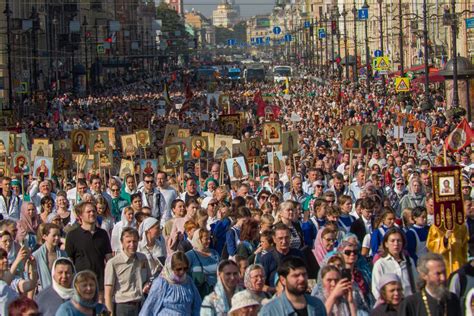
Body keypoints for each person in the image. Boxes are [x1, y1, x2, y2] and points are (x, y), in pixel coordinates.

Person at [65, 202, 112, 299]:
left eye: (94, 211)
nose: (92, 213)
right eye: (88, 212)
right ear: (81, 216)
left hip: (100, 283)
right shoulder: (72, 235)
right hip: (80, 283)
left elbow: (109, 259)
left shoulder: (103, 234)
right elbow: (69, 261)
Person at [104, 227, 151, 315]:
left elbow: (148, 279)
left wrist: (147, 284)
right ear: (122, 243)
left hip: (141, 305)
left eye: (135, 241)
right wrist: (110, 313)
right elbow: (108, 293)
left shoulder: (143, 258)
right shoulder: (113, 263)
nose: (132, 245)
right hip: (123, 307)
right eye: (128, 242)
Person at [139, 251, 202, 315]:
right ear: (171, 268)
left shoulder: (188, 281)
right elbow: (150, 306)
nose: (182, 272)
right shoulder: (161, 283)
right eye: (178, 269)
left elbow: (197, 305)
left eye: (185, 269)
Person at [259, 256, 327, 315]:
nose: (302, 279)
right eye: (296, 276)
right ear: (283, 280)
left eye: (304, 274)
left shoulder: (317, 305)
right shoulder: (270, 311)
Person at [372, 227, 417, 301]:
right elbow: (376, 289)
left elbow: (415, 283)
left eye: (399, 241)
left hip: (409, 304)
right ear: (386, 244)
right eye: (392, 241)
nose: (396, 244)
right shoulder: (380, 264)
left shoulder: (409, 261)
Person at [260, 223, 305, 288]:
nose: (284, 241)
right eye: (280, 238)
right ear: (274, 239)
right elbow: (262, 285)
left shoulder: (298, 254)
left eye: (286, 237)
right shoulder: (266, 259)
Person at [186, 228, 220, 298]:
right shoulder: (189, 255)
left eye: (209, 238)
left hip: (215, 293)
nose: (209, 241)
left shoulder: (214, 253)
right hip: (198, 294)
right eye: (206, 239)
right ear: (198, 240)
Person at [32, 223, 67, 290]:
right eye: (54, 235)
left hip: (60, 290)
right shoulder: (36, 255)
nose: (57, 238)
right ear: (45, 236)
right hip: (42, 292)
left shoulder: (63, 254)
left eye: (59, 235)